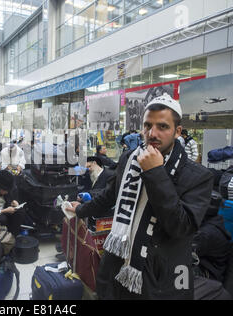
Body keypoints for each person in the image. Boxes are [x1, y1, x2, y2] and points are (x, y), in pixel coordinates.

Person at [66, 93, 214, 300]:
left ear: (177, 131)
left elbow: (181, 227)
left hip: (160, 278)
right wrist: (80, 209)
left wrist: (155, 173)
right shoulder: (130, 158)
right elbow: (110, 195)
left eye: (162, 127)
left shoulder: (197, 176)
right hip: (116, 266)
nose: (152, 133)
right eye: (147, 126)